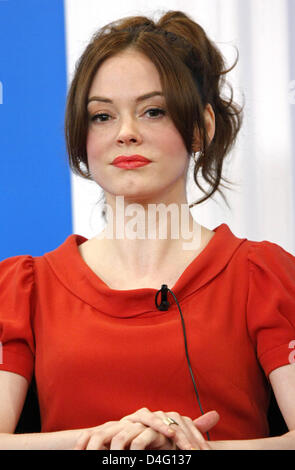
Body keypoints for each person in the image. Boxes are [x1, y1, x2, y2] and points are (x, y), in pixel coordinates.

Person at [0, 10, 295, 450]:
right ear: (83, 135)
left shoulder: (264, 274)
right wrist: (102, 442)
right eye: (102, 116)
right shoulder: (23, 289)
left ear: (201, 128)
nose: (126, 133)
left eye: (153, 111)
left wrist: (193, 451)